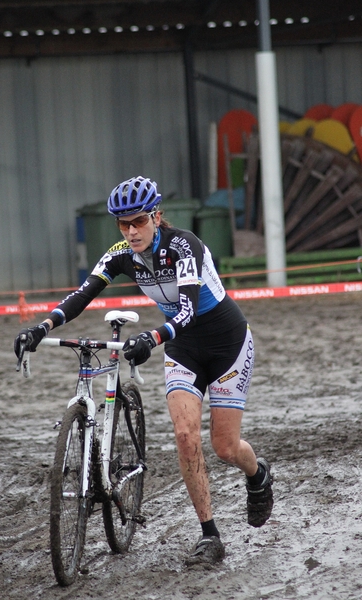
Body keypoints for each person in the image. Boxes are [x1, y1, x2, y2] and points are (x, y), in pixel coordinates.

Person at [14, 176, 273, 565]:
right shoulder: (121, 254)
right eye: (123, 224)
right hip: (183, 346)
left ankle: (258, 475)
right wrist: (42, 327)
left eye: (138, 221)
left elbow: (187, 310)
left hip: (226, 343)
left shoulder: (184, 245)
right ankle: (210, 536)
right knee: (185, 436)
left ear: (155, 216)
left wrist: (151, 337)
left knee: (225, 448)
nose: (131, 231)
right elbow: (82, 295)